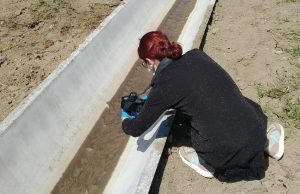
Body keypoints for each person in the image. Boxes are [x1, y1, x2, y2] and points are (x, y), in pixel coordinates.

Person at [121, 31, 285, 182]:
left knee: (191, 128)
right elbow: (197, 89)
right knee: (236, 101)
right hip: (255, 129)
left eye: (145, 64)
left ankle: (204, 163)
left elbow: (136, 129)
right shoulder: (197, 55)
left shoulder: (163, 86)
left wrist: (125, 118)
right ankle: (268, 143)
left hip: (224, 153)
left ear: (149, 61)